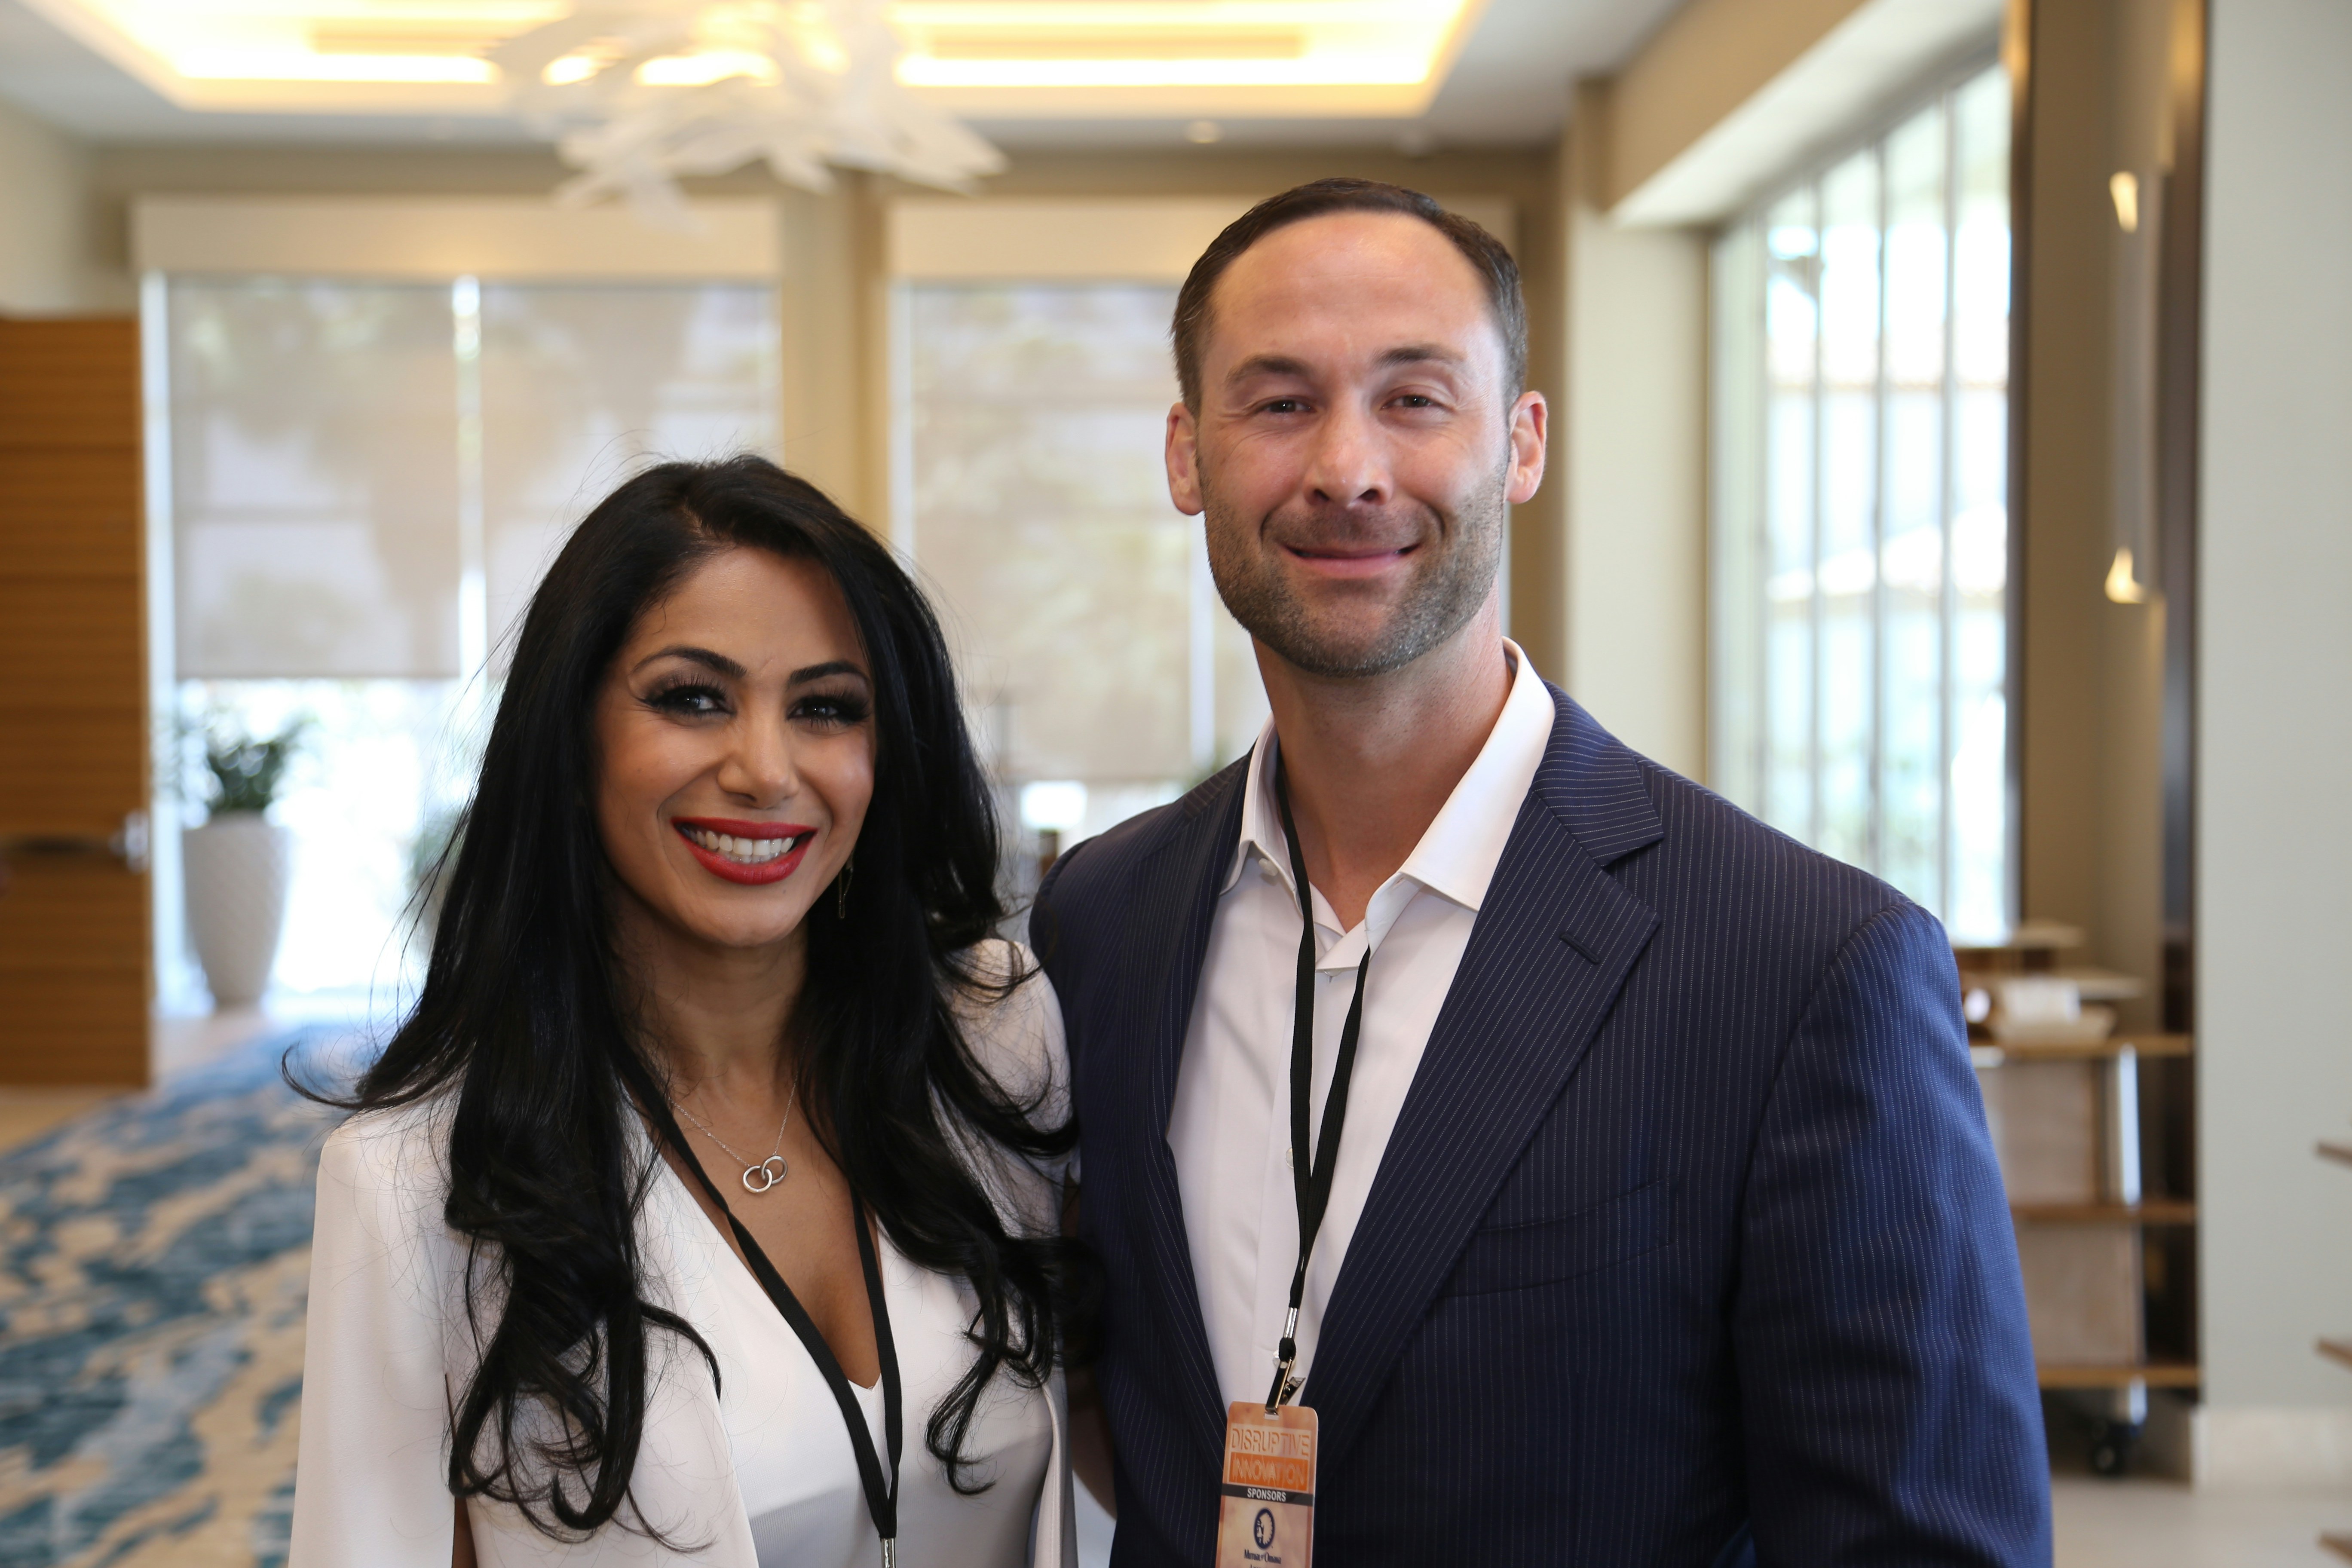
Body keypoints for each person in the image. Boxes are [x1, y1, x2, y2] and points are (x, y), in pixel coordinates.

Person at [1035, 178, 2049, 1564]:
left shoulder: (1807, 965)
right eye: (1278, 403)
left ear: (1521, 443)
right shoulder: (1100, 921)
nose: (1347, 468)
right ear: (1186, 457)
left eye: (1415, 398)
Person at [291, 457, 1085, 1567]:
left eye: (825, 708)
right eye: (692, 697)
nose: (765, 769)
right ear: (574, 742)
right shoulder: (417, 1185)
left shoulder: (997, 1045)